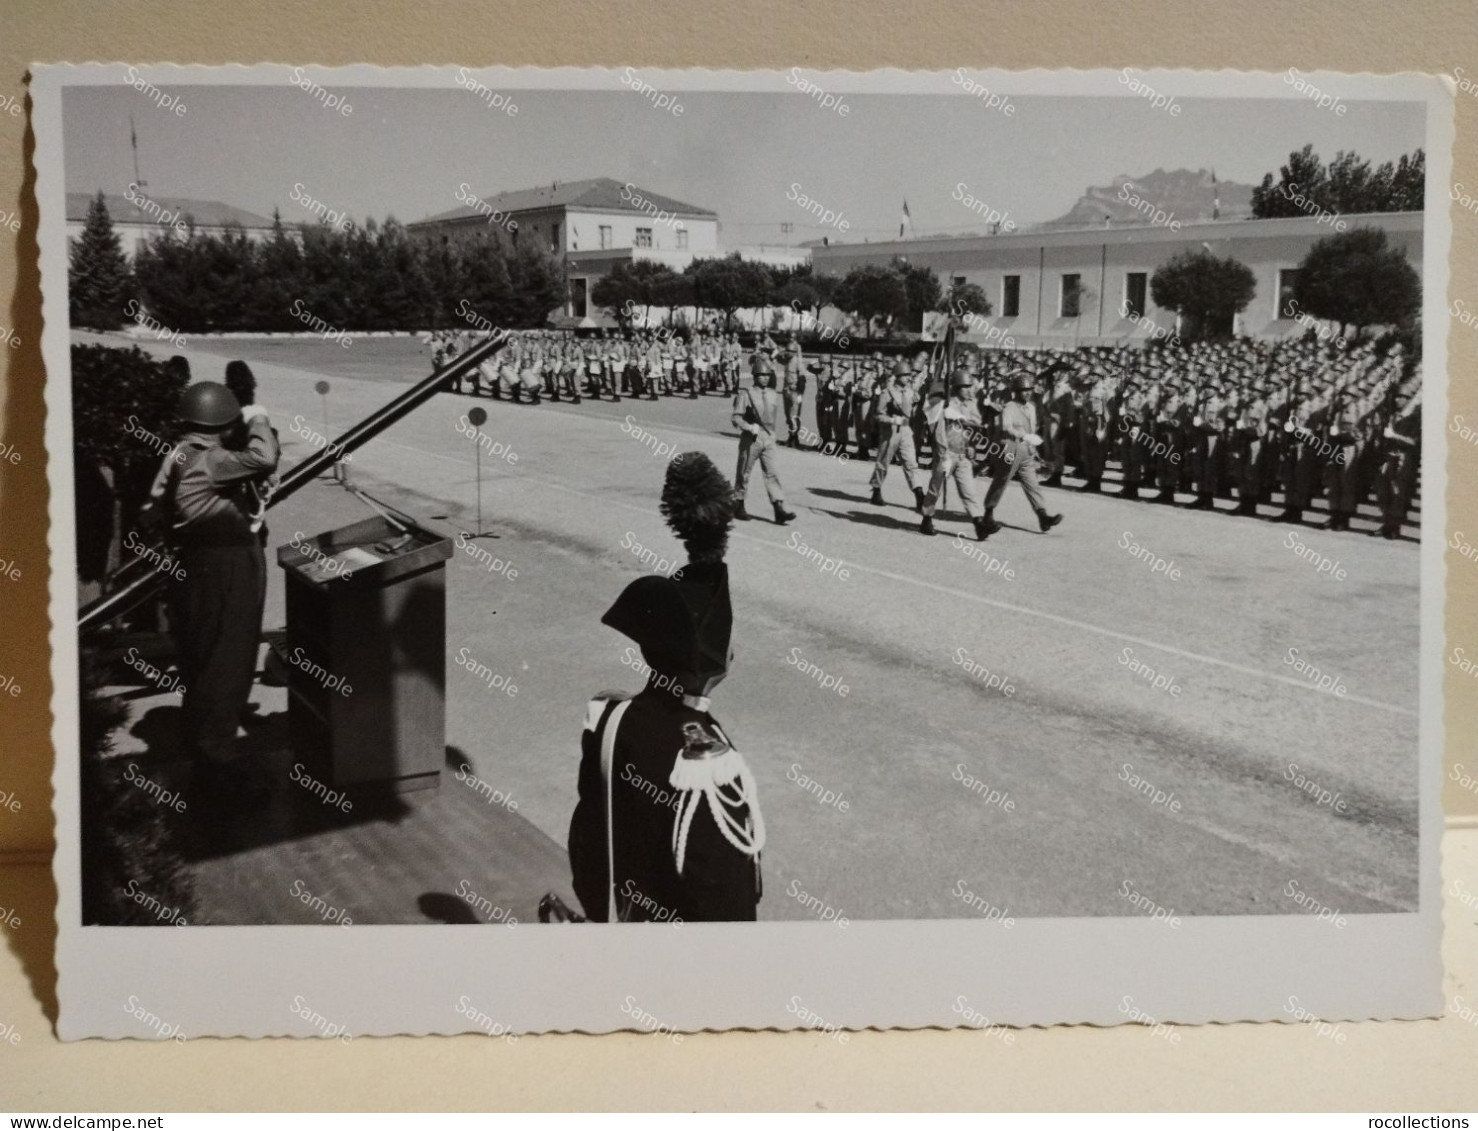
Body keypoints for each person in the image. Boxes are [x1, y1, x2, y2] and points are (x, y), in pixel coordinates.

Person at [567, 452, 765, 922]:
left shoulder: (610, 719)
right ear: (718, 658)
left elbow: (588, 844)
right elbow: (725, 902)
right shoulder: (706, 765)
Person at [144, 380, 280, 798]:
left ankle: (204, 748)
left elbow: (150, 512)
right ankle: (216, 765)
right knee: (230, 658)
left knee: (202, 658)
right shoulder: (213, 460)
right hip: (226, 567)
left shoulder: (179, 453)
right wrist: (257, 417)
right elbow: (264, 456)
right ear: (222, 422)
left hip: (194, 563)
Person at [982, 372, 1064, 536]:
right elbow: (1005, 427)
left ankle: (1043, 516)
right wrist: (1024, 435)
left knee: (1032, 483)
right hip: (1010, 448)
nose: (1027, 392)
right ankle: (988, 514)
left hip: (1026, 450)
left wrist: (1033, 445)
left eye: (1029, 389)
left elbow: (1032, 428)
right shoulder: (1009, 407)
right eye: (1023, 390)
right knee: (1001, 481)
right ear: (1016, 391)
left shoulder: (1032, 407)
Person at [919, 370, 990, 540]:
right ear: (956, 388)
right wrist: (942, 453)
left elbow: (977, 424)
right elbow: (939, 431)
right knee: (935, 489)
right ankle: (927, 518)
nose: (968, 390)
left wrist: (966, 426)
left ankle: (979, 523)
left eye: (969, 386)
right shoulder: (945, 405)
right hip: (947, 453)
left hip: (962, 454)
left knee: (969, 491)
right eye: (964, 387)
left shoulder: (970, 404)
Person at [731, 357, 796, 525]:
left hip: (769, 438)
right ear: (754, 376)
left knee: (772, 473)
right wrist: (748, 426)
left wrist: (792, 419)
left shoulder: (774, 394)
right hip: (751, 438)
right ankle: (738, 504)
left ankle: (778, 508)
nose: (765, 378)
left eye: (767, 375)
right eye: (761, 375)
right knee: (744, 471)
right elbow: (735, 418)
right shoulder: (746, 394)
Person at [870, 360, 925, 509]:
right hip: (890, 432)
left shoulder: (909, 391)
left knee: (911, 464)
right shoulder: (887, 393)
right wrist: (892, 419)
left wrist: (915, 403)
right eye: (905, 375)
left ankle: (919, 495)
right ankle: (876, 490)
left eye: (909, 375)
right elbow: (878, 415)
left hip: (906, 431)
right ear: (898, 375)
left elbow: (910, 411)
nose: (908, 378)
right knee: (883, 463)